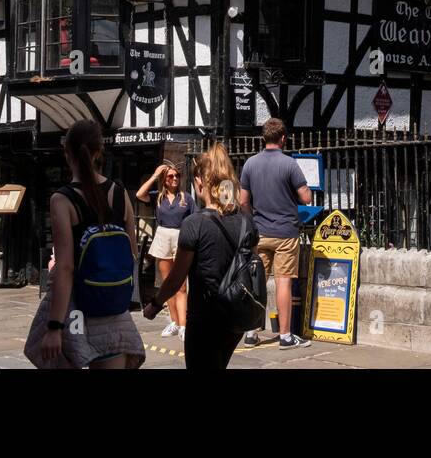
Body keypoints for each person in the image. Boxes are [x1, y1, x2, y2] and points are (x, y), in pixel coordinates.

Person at [24, 120, 145, 369]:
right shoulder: (120, 193)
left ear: (67, 153)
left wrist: (55, 327)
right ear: (99, 152)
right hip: (114, 311)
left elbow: (66, 268)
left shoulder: (62, 200)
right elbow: (132, 254)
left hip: (78, 310)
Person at [144, 144, 258, 370]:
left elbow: (177, 278)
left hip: (205, 316)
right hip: (234, 316)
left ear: (200, 182)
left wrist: (155, 304)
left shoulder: (194, 223)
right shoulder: (246, 220)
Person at [238, 117, 312, 349]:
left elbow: (243, 201)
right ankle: (286, 335)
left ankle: (251, 333)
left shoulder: (250, 164)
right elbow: (306, 198)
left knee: (257, 283)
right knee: (283, 283)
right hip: (286, 232)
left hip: (260, 232)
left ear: (263, 138)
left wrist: (254, 219)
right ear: (283, 138)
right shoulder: (289, 164)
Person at [135, 160, 192, 340]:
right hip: (163, 236)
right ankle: (174, 322)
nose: (175, 179)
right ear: (164, 180)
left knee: (181, 285)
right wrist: (155, 175)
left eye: (177, 176)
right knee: (167, 284)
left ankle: (184, 325)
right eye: (170, 176)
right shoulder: (157, 197)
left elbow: (194, 219)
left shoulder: (186, 198)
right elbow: (139, 194)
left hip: (180, 237)